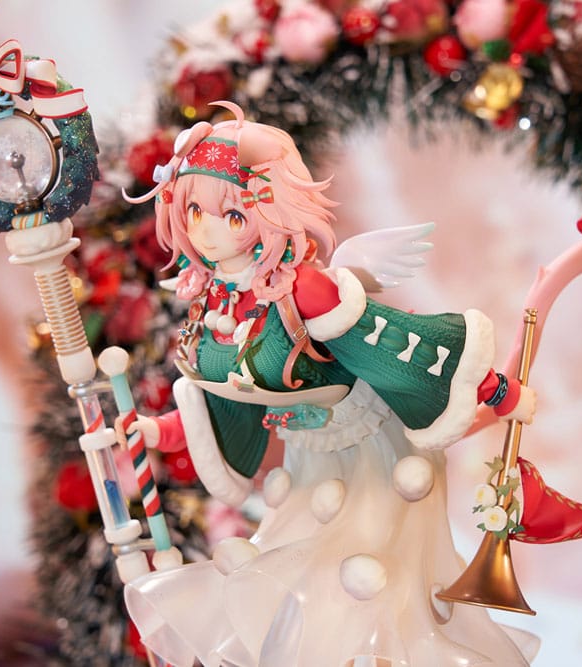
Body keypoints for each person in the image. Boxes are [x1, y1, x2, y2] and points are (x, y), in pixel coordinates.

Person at [121, 101, 540, 666]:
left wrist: (496, 390)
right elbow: (224, 394)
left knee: (359, 591)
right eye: (194, 209)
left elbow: (398, 341)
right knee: (283, 593)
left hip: (373, 454)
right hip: (306, 460)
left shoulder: (304, 290)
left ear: (268, 210)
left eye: (232, 216)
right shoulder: (215, 299)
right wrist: (159, 431)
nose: (206, 230)